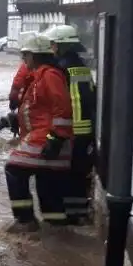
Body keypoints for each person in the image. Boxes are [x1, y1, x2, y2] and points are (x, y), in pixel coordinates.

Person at [3, 34, 74, 232]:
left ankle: (25, 221)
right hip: (47, 138)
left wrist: (56, 138)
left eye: (25, 55)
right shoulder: (40, 76)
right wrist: (10, 120)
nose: (23, 59)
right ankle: (56, 227)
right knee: (46, 182)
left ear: (35, 55)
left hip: (48, 139)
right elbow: (36, 110)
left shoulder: (49, 75)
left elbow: (62, 108)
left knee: (14, 168)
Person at [43, 24, 98, 225]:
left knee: (62, 173)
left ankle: (65, 216)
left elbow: (59, 102)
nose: (51, 48)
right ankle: (79, 214)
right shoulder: (82, 66)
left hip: (71, 128)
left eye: (53, 44)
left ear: (60, 45)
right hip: (86, 128)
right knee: (79, 173)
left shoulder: (59, 68)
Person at [8, 31, 36, 111]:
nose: (23, 58)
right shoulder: (26, 66)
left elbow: (17, 84)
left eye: (25, 55)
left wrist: (13, 100)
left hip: (27, 105)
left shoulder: (25, 67)